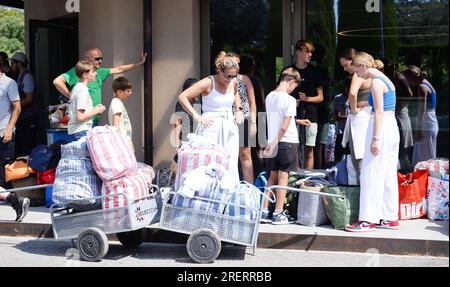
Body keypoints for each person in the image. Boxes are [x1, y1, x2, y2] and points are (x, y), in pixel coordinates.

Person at [346, 52, 400, 232]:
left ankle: (367, 220)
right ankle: (389, 216)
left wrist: (375, 139)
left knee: (371, 171)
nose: (358, 76)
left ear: (362, 66)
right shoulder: (386, 79)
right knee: (388, 174)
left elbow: (377, 111)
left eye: (357, 71)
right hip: (391, 126)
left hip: (381, 127)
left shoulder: (376, 82)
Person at [178, 51, 244, 186]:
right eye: (227, 76)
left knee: (231, 163)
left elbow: (235, 95)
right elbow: (183, 97)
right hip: (211, 125)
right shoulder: (208, 82)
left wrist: (239, 109)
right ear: (219, 70)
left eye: (233, 76)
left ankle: (229, 196)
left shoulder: (234, 82)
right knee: (210, 163)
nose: (230, 79)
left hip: (229, 125)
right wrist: (196, 115)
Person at [261, 68, 311, 225]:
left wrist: (272, 144)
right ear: (291, 81)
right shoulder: (289, 100)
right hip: (286, 142)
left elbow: (277, 119)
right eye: (295, 86)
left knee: (272, 176)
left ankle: (264, 211)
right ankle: (278, 212)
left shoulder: (270, 96)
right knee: (283, 177)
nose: (294, 89)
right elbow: (284, 126)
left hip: (272, 142)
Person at [53, 48, 146, 125]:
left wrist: (139, 63)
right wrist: (71, 96)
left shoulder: (100, 72)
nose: (100, 61)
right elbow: (57, 81)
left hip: (94, 118)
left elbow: (119, 69)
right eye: (97, 59)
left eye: (101, 58)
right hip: (82, 121)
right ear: (87, 59)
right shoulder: (76, 71)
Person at [282, 40, 324, 170]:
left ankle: (307, 182)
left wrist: (307, 98)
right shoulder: (288, 71)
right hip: (291, 117)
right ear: (298, 53)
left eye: (311, 52)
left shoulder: (316, 72)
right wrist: (291, 103)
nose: (310, 54)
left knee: (309, 151)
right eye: (307, 51)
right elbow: (280, 94)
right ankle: (293, 179)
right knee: (294, 150)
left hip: (310, 116)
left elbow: (321, 97)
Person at [339, 48, 372, 184]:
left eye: (346, 65)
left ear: (354, 61)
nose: (345, 69)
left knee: (358, 157)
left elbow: (352, 93)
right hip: (370, 117)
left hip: (360, 121)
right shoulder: (372, 74)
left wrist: (353, 110)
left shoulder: (358, 75)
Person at [0, 68, 29, 222]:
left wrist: (9, 129)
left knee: (5, 171)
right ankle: (15, 200)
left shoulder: (9, 83)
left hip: (4, 133)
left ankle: (15, 200)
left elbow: (17, 107)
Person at [229, 52, 257, 184]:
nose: (236, 66)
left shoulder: (244, 78)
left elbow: (252, 102)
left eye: (238, 64)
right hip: (228, 119)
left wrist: (253, 123)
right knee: (229, 155)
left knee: (245, 154)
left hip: (244, 118)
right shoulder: (223, 79)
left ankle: (249, 189)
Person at [383, 59, 415, 172]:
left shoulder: (398, 76)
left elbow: (409, 93)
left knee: (403, 145)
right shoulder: (389, 77)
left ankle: (405, 170)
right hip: (395, 113)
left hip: (400, 112)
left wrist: (401, 104)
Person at [403, 65, 439, 166]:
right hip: (431, 121)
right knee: (428, 157)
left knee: (422, 159)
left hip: (426, 123)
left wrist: (418, 130)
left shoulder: (421, 87)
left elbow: (421, 111)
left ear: (412, 77)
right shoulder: (427, 83)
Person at [10, 52, 39, 157]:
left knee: (27, 145)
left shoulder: (27, 77)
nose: (11, 65)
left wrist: (14, 106)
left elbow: (29, 98)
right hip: (23, 117)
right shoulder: (20, 76)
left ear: (19, 64)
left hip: (28, 117)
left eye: (13, 63)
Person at [67, 61, 106, 140]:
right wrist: (96, 111)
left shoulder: (77, 87)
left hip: (76, 131)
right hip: (81, 131)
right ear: (85, 74)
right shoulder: (82, 90)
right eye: (93, 71)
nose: (96, 74)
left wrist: (94, 109)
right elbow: (80, 117)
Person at [313, 44, 332, 169]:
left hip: (316, 109)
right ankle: (320, 169)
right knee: (319, 144)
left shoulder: (314, 70)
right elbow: (329, 84)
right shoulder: (322, 71)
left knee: (315, 145)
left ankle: (318, 168)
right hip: (321, 109)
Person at [172, 78, 201, 161]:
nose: (198, 91)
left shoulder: (197, 102)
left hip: (197, 138)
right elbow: (177, 124)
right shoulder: (181, 103)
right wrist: (177, 145)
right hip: (186, 139)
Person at [109, 77, 134, 151]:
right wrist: (119, 141)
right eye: (128, 91)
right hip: (122, 141)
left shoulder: (118, 102)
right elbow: (115, 124)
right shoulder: (116, 102)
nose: (130, 93)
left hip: (125, 139)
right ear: (119, 92)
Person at [333, 76, 352, 163]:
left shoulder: (359, 97)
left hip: (353, 130)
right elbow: (336, 115)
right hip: (342, 129)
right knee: (339, 153)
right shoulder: (338, 98)